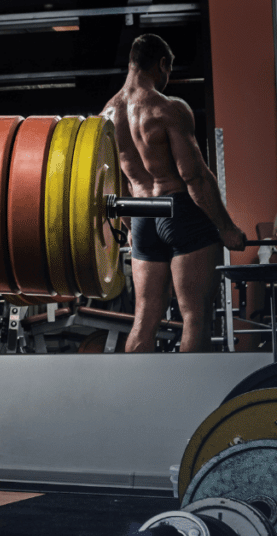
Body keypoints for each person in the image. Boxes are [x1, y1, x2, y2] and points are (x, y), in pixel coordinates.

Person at [100, 34, 246, 352]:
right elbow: (194, 176)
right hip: (178, 208)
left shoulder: (107, 116)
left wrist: (129, 229)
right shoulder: (168, 108)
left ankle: (140, 399)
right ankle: (192, 400)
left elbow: (113, 184)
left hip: (141, 214)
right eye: (169, 69)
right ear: (162, 64)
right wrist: (226, 227)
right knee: (194, 316)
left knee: (144, 317)